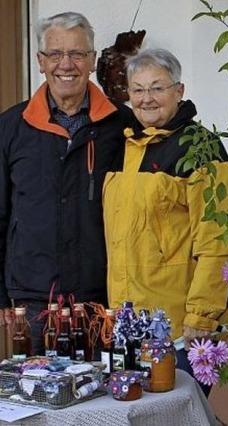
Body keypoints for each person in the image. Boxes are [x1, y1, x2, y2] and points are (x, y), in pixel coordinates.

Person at [103, 48, 228, 395]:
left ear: (179, 91)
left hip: (179, 331)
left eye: (157, 88)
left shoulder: (201, 148)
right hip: (127, 325)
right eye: (138, 89)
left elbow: (221, 240)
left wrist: (202, 316)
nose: (146, 99)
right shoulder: (123, 148)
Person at [0, 12, 132, 354]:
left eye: (77, 54)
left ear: (91, 61)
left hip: (103, 297)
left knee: (104, 399)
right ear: (40, 62)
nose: (66, 64)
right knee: (36, 400)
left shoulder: (123, 125)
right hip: (31, 301)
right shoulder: (10, 127)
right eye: (55, 54)